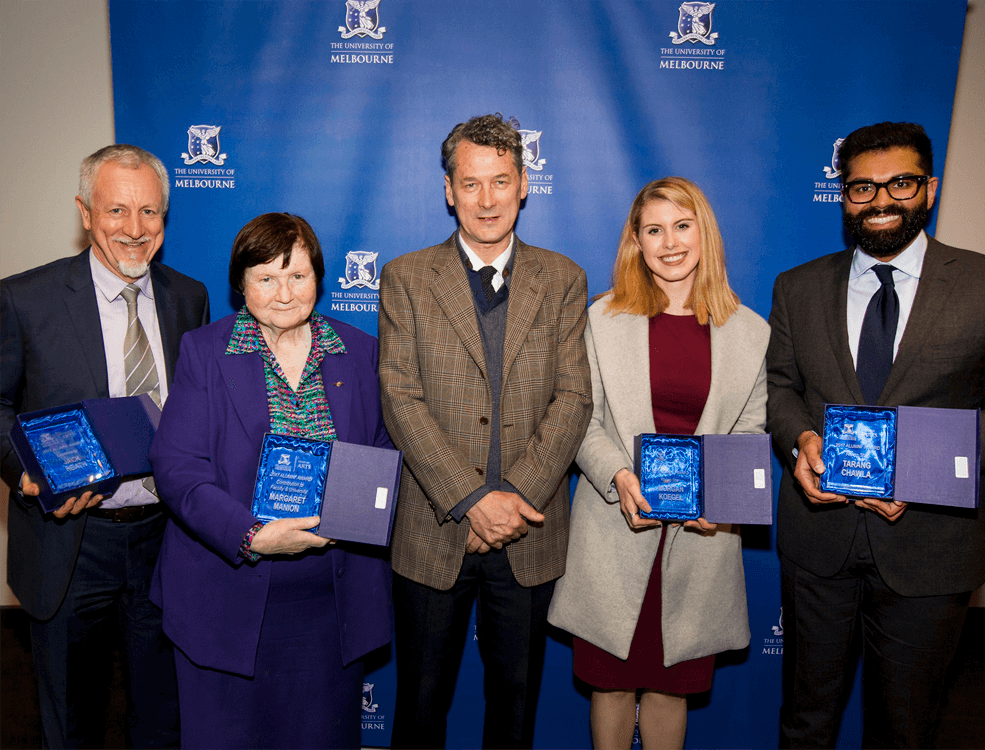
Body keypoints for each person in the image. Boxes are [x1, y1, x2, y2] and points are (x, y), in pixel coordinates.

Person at [767, 122, 985, 749]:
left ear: (930, 188)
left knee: (904, 729)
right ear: (843, 194)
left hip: (931, 545)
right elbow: (781, 390)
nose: (880, 202)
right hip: (819, 540)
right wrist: (800, 444)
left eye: (899, 183)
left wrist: (915, 465)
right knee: (805, 722)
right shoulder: (798, 286)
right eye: (861, 188)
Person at [378, 113, 593, 749]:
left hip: (528, 536)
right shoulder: (407, 277)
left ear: (524, 183)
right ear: (449, 190)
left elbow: (573, 397)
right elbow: (401, 398)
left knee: (515, 714)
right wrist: (472, 500)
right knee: (419, 711)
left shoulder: (563, 279)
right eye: (471, 184)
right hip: (431, 532)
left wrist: (513, 500)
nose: (487, 200)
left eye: (501, 182)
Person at [147, 212, 393, 749]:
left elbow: (379, 452)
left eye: (298, 276)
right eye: (266, 277)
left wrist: (360, 511)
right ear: (241, 283)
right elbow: (178, 469)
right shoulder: (205, 352)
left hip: (330, 604)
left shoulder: (358, 350)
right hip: (225, 598)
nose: (284, 292)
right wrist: (252, 535)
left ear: (319, 279)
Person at [548, 177, 769, 749]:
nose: (669, 242)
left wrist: (721, 504)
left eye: (681, 225)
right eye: (654, 230)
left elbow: (748, 432)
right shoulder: (601, 319)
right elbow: (581, 421)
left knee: (673, 689)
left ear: (704, 234)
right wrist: (619, 476)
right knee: (613, 684)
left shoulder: (751, 333)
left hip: (701, 540)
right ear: (636, 243)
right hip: (615, 532)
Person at [0, 144, 208, 748]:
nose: (136, 230)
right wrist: (26, 473)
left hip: (166, 540)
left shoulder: (188, 297)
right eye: (117, 211)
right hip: (71, 541)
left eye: (151, 212)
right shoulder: (23, 299)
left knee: (161, 720)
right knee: (73, 722)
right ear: (85, 213)